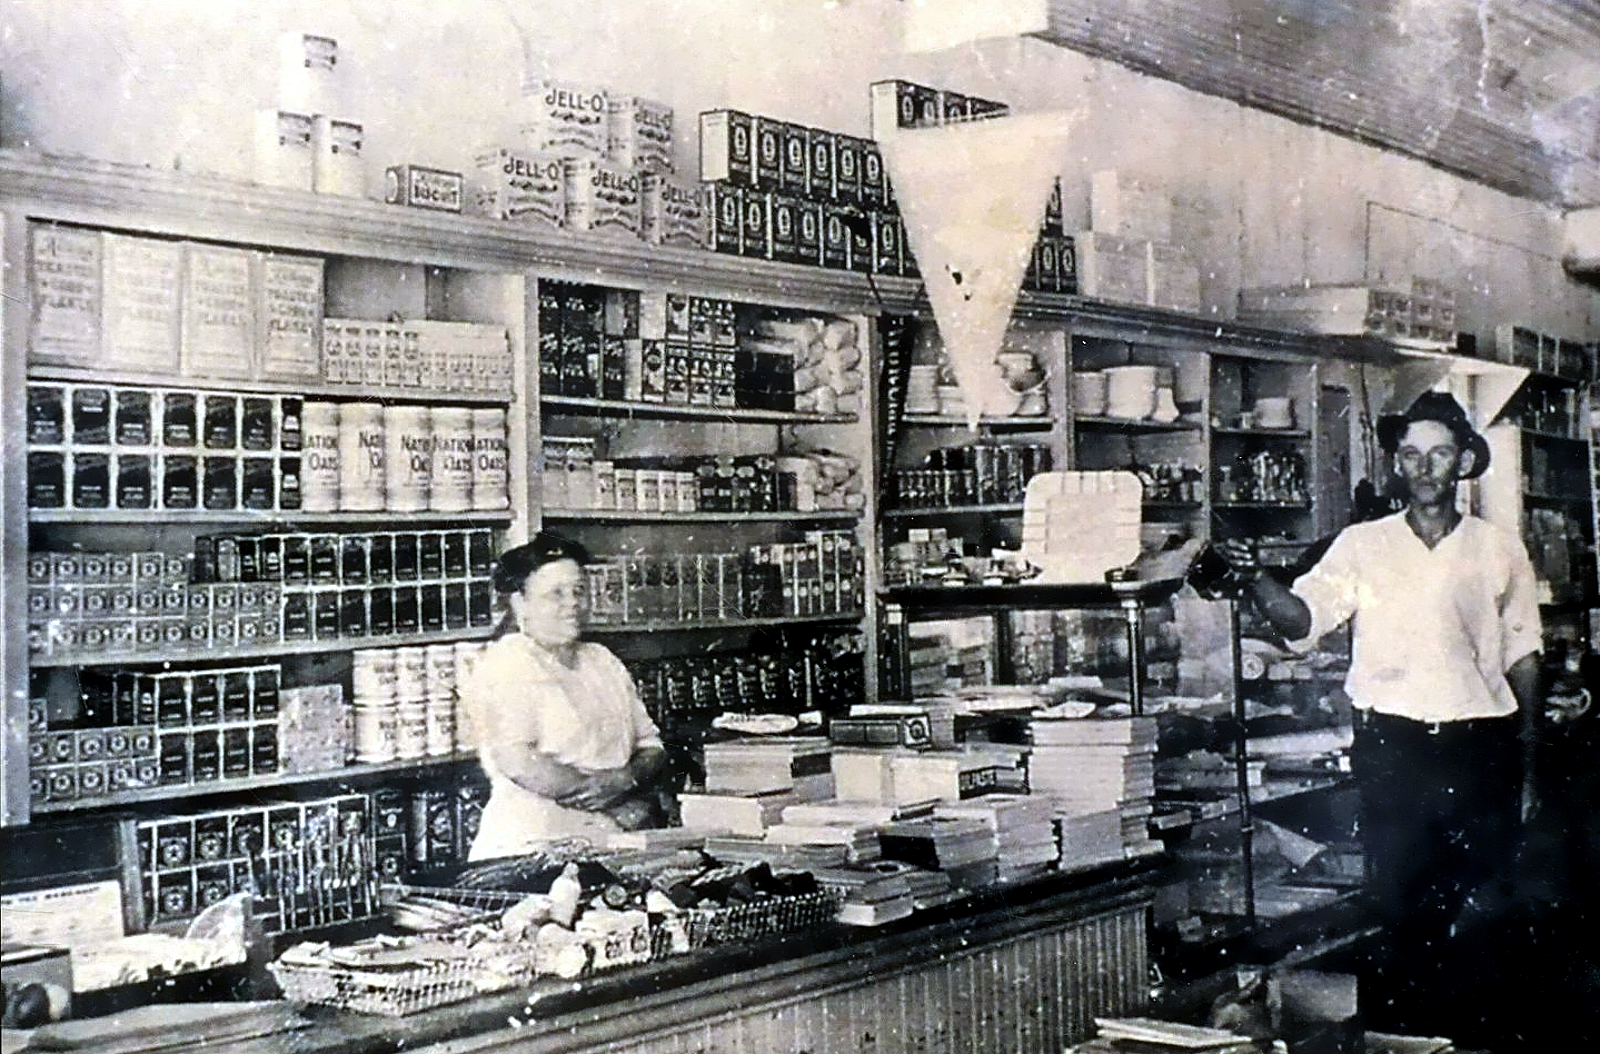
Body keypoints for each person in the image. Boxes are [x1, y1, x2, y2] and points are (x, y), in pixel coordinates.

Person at [1218, 391, 1542, 1032]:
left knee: (1485, 912)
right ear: (1396, 465)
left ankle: (1478, 1041)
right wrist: (1254, 579)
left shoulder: (1498, 548)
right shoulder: (1362, 546)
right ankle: (1408, 1043)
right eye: (1412, 455)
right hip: (1397, 754)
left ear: (1464, 462)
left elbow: (1524, 658)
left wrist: (1530, 768)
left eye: (1440, 453)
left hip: (1482, 752)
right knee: (1400, 916)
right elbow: (1304, 620)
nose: (1426, 468)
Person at [460, 532, 666, 860]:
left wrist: (627, 777)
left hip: (610, 841)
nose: (572, 604)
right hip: (531, 849)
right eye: (555, 594)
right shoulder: (506, 663)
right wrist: (611, 796)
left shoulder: (601, 659)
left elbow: (652, 746)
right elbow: (518, 762)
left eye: (578, 591)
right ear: (520, 603)